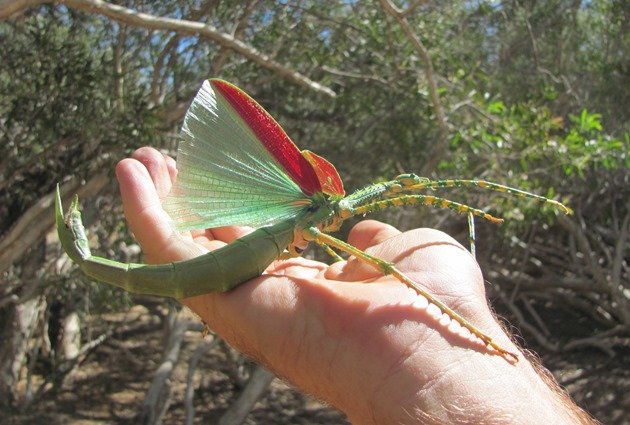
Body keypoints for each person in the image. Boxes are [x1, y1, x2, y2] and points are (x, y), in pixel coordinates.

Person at [116, 147, 596, 424]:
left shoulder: (316, 224)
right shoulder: (316, 221)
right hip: (234, 257)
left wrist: (451, 365)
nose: (399, 191)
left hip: (238, 257)